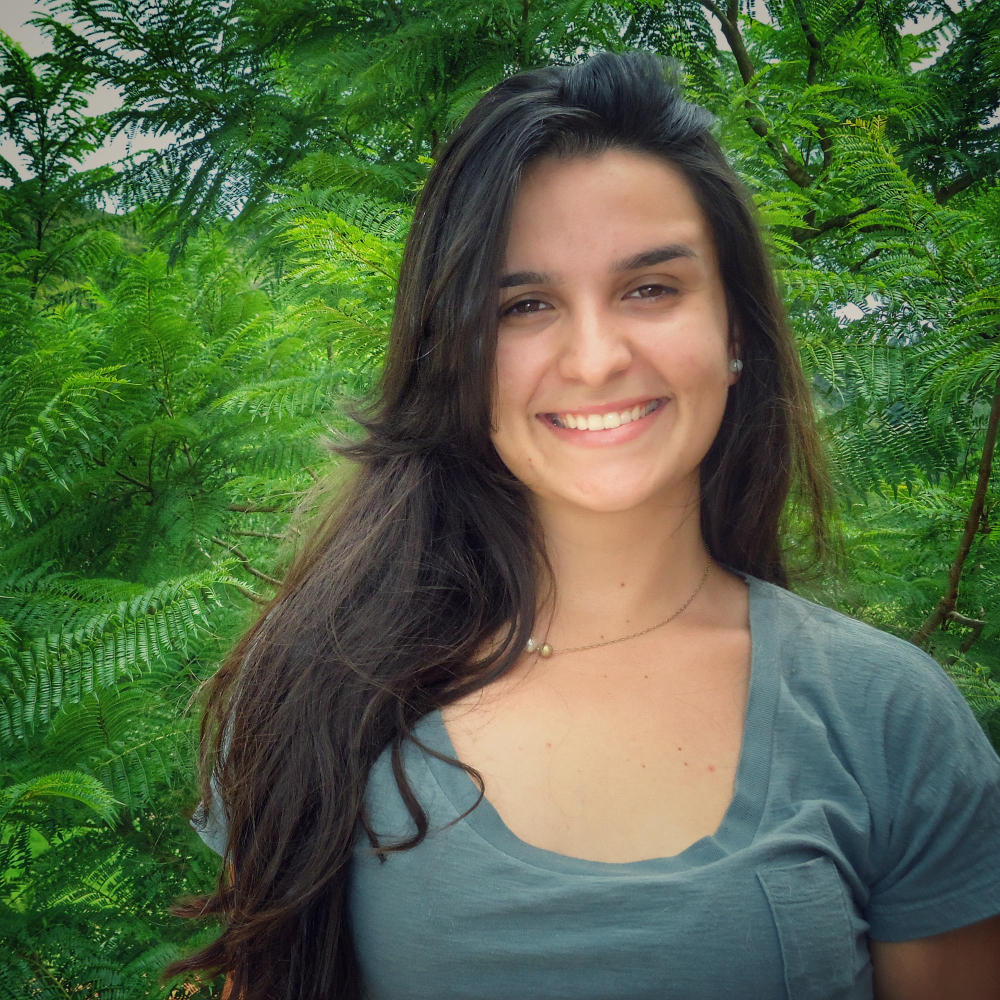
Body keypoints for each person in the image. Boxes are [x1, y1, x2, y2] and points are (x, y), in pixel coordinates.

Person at [163, 49, 1000, 1000]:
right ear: (454, 353)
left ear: (735, 330)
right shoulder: (316, 691)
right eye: (525, 305)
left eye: (651, 289)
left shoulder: (886, 716)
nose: (596, 358)